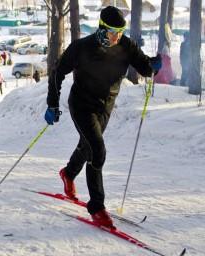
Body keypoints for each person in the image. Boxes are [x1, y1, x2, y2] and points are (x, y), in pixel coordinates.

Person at [44, 6, 161, 228]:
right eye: (112, 31)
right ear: (101, 28)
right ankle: (97, 207)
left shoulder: (126, 46)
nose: (117, 36)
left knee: (88, 146)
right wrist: (52, 103)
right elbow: (58, 72)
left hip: (105, 106)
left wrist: (154, 65)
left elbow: (145, 68)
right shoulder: (81, 47)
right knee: (97, 150)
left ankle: (68, 173)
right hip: (81, 105)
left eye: (120, 31)